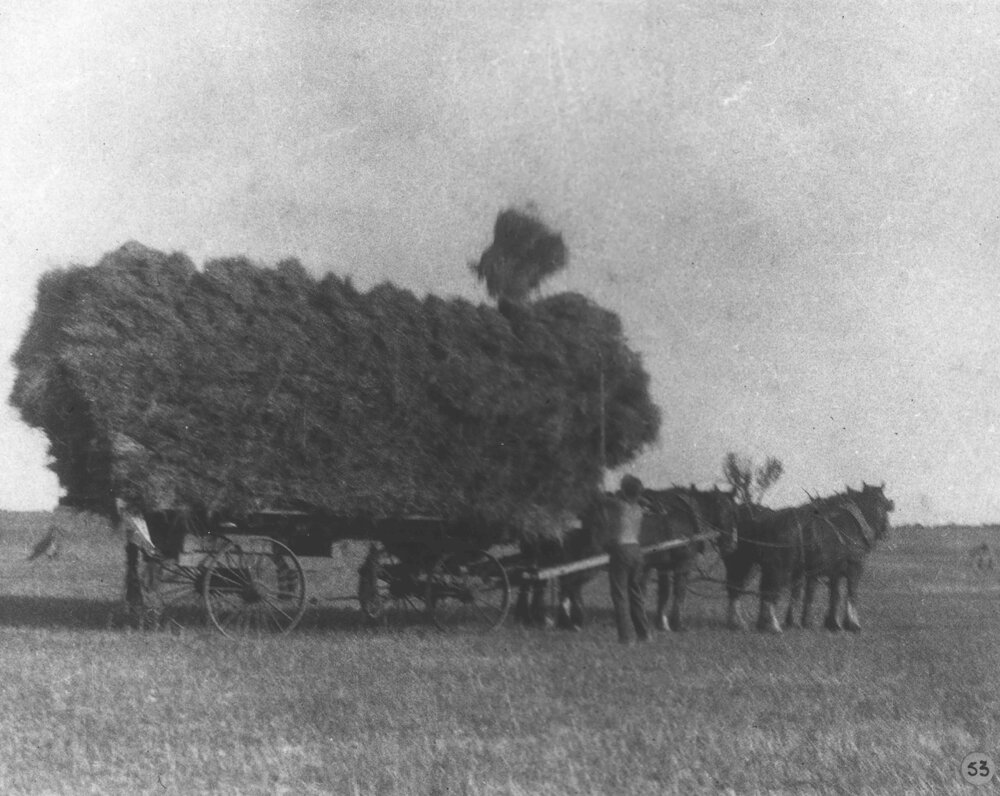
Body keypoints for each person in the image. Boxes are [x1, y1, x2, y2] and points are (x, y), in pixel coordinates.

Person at [607, 474, 651, 644]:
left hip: (621, 550)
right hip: (636, 551)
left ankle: (625, 637)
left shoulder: (618, 506)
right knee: (636, 593)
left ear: (624, 491)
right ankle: (644, 633)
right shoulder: (639, 509)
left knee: (619, 595)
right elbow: (642, 502)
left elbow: (605, 500)